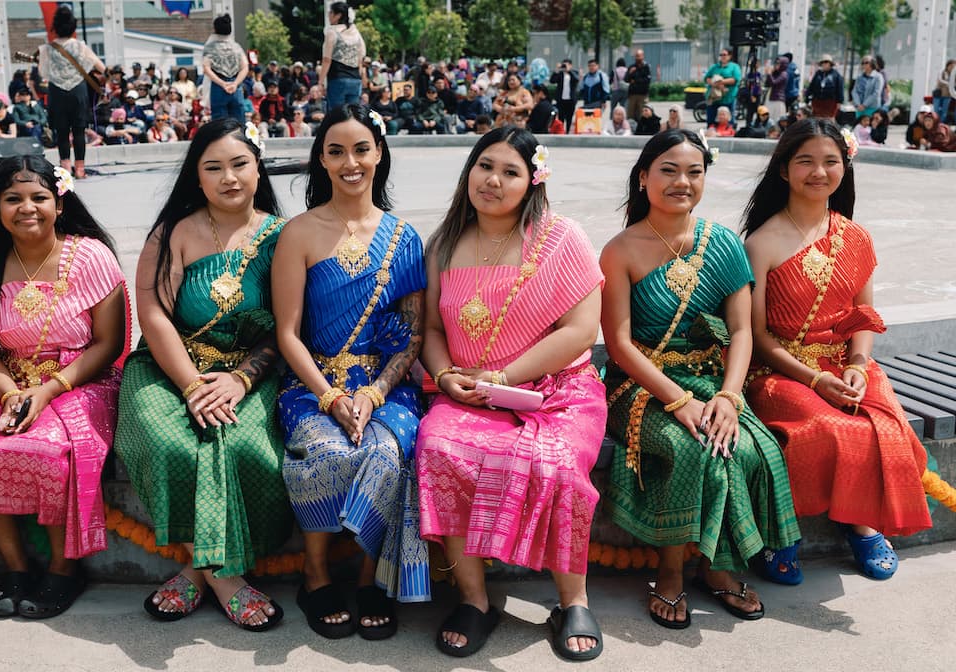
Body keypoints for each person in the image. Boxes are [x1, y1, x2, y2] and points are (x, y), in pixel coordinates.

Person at [417, 127, 606, 661]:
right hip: (469, 390)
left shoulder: (560, 238)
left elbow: (580, 331)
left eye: (510, 172)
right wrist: (445, 375)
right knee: (438, 447)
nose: (493, 181)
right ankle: (474, 600)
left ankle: (573, 600)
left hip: (556, 389)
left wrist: (505, 378)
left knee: (558, 463)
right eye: (485, 166)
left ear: (533, 182)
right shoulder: (445, 244)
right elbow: (431, 329)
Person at [599, 129, 800, 629]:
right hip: (641, 385)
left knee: (746, 449)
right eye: (668, 171)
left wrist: (729, 397)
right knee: (690, 447)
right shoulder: (620, 250)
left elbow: (742, 331)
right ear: (643, 178)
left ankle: (717, 567)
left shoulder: (723, 243)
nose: (682, 182)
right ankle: (670, 573)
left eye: (694, 172)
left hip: (712, 380)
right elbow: (619, 345)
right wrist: (676, 400)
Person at [114, 119, 293, 631]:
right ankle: (225, 580)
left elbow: (290, 323)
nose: (228, 177)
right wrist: (192, 384)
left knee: (248, 447)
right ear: (197, 176)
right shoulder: (173, 232)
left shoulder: (283, 237)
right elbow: (153, 315)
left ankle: (196, 572)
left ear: (258, 167)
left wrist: (240, 379)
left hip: (250, 371)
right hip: (169, 365)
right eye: (213, 168)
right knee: (167, 443)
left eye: (239, 164)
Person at [742, 118, 932, 583]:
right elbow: (759, 336)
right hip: (781, 371)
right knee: (827, 430)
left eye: (830, 161)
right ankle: (782, 530)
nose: (819, 172)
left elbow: (863, 317)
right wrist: (813, 378)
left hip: (847, 365)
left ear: (845, 167)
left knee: (886, 428)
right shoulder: (760, 243)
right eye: (805, 161)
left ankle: (860, 523)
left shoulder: (856, 237)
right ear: (783, 169)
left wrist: (860, 367)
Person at [272, 105, 430, 640]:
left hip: (386, 388)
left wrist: (375, 394)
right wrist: (330, 397)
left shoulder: (404, 238)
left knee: (388, 451)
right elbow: (287, 334)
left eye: (361, 149)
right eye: (336, 152)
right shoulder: (299, 233)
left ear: (379, 153)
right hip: (311, 383)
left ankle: (370, 579)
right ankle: (315, 573)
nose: (350, 163)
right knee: (326, 449)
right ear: (321, 159)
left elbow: (412, 335)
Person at [0, 157, 126, 619]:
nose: (26, 208)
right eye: (13, 199)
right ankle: (16, 567)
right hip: (9, 380)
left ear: (59, 204)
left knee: (50, 450)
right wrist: (10, 393)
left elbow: (109, 344)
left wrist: (48, 391)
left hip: (81, 379)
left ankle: (65, 569)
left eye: (39, 197)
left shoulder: (90, 256)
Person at [39, 5, 106, 178]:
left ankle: (65, 169)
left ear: (55, 26)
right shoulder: (80, 46)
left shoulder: (47, 48)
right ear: (73, 26)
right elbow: (100, 66)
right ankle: (80, 169)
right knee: (78, 131)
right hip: (78, 90)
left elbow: (43, 72)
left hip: (57, 92)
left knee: (62, 132)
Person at [202, 14, 248, 123]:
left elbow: (206, 68)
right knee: (239, 122)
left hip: (218, 86)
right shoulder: (236, 46)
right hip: (235, 87)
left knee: (220, 124)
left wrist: (223, 84)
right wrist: (235, 83)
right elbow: (245, 67)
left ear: (215, 29)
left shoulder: (210, 46)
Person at [320, 2, 366, 112]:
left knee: (337, 115)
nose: (329, 15)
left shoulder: (332, 32)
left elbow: (326, 60)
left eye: (331, 12)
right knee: (353, 114)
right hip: (355, 79)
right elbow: (361, 56)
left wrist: (320, 82)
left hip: (338, 78)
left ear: (338, 15)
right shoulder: (355, 32)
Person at [703, 47, 742, 126]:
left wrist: (721, 82)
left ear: (729, 56)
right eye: (721, 55)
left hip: (728, 98)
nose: (722, 56)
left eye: (724, 54)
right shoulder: (715, 67)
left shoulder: (734, 67)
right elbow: (707, 78)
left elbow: (735, 79)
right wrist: (714, 84)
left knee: (728, 121)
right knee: (711, 121)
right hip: (714, 99)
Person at [806, 55, 844, 120]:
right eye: (822, 62)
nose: (824, 64)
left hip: (830, 102)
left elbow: (840, 89)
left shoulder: (836, 75)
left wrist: (839, 101)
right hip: (817, 102)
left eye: (826, 62)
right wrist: (807, 97)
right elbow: (811, 86)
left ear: (830, 63)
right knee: (817, 120)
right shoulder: (818, 74)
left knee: (828, 120)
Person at [550, 59, 579, 131]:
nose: (565, 67)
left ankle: (568, 131)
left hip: (571, 99)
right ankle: (561, 131)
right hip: (561, 99)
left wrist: (569, 71)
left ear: (571, 65)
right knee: (561, 117)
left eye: (566, 65)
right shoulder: (560, 74)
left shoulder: (574, 73)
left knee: (569, 117)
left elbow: (576, 79)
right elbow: (552, 81)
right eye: (564, 65)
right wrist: (556, 71)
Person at [624, 49, 652, 122]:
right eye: (636, 56)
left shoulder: (646, 67)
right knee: (630, 116)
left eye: (639, 56)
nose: (637, 58)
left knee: (642, 115)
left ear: (643, 56)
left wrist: (635, 80)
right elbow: (626, 79)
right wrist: (630, 73)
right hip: (632, 95)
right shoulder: (632, 67)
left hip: (643, 95)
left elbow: (647, 80)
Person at [937, 59, 956, 124]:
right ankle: (936, 123)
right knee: (937, 110)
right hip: (939, 94)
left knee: (944, 111)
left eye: (954, 66)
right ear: (947, 65)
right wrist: (949, 83)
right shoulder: (942, 72)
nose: (952, 67)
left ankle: (941, 124)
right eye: (951, 66)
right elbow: (940, 80)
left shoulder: (954, 74)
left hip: (948, 95)